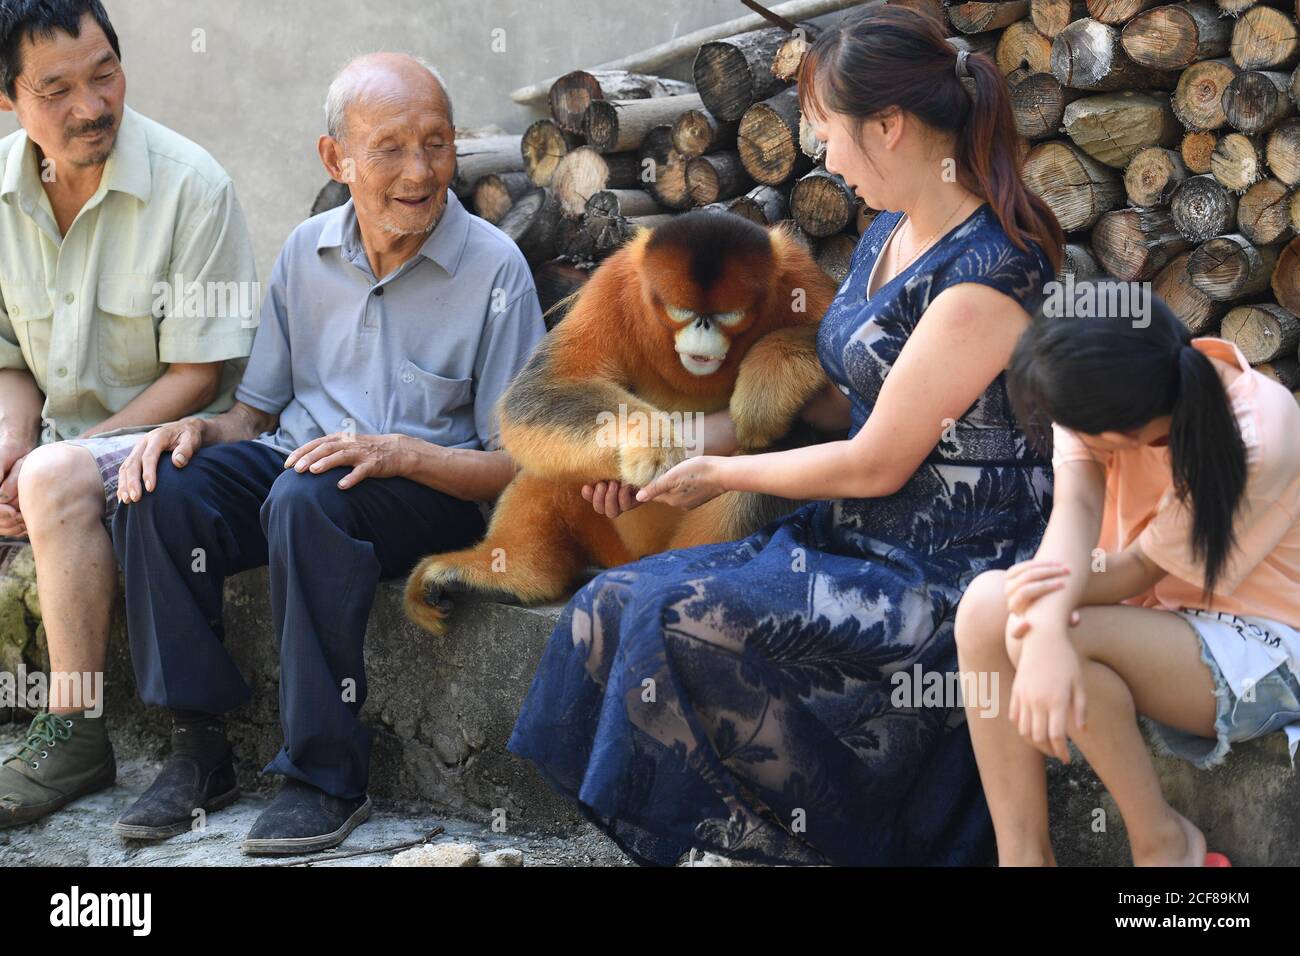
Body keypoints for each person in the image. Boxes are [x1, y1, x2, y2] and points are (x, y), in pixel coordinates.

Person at [507, 5, 1065, 866]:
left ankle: (787, 842)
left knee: (678, 620)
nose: (819, 151)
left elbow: (878, 460)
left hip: (943, 567)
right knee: (609, 605)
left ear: (889, 125)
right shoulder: (887, 233)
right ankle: (732, 845)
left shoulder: (988, 273)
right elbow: (845, 404)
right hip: (851, 534)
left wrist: (715, 479)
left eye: (826, 127)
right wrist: (685, 448)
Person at [109, 53, 545, 854]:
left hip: (428, 491)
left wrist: (400, 454)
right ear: (335, 159)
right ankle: (198, 750)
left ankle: (325, 774)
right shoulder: (304, 253)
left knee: (305, 498)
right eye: (390, 148)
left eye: (438, 143)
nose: (420, 171)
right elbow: (254, 416)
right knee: (158, 485)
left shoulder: (495, 269)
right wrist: (199, 431)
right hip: (305, 473)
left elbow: (514, 466)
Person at [0, 0, 256, 827]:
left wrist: (54, 465)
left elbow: (197, 373)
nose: (92, 105)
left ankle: (75, 729)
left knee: (51, 473)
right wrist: (11, 446)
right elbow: (8, 353)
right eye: (58, 89)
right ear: (9, 99)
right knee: (35, 468)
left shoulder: (192, 186)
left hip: (175, 452)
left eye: (104, 72)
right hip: (56, 451)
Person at [954, 286, 1300, 866]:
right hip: (1155, 622)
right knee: (986, 604)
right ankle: (1022, 858)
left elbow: (1136, 568)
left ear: (1117, 437)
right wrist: (1040, 618)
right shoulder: (1107, 383)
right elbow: (1076, 511)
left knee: (1032, 623)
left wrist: (1040, 626)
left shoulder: (1256, 435)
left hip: (1266, 650)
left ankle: (1164, 842)